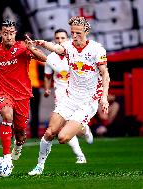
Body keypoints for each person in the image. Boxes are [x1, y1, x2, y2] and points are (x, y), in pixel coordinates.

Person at [28, 16, 110, 176]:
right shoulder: (68, 46)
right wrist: (41, 43)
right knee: (50, 132)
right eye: (72, 33)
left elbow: (105, 74)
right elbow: (57, 49)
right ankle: (39, 166)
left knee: (63, 137)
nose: (75, 36)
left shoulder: (97, 49)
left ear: (86, 31)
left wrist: (104, 97)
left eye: (78, 33)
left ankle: (83, 128)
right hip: (70, 98)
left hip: (88, 102)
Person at [0, 20, 47, 168]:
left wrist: (32, 49)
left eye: (11, 33)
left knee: (21, 133)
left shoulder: (22, 47)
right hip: (1, 90)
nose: (9, 36)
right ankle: (6, 157)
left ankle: (18, 146)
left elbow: (44, 59)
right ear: (0, 34)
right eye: (6, 33)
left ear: (15, 33)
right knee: (7, 115)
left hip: (22, 94)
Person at [43, 28, 90, 164]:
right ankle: (80, 156)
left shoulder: (76, 54)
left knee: (73, 125)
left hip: (77, 94)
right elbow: (47, 76)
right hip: (61, 95)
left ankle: (84, 128)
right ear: (54, 40)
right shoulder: (50, 58)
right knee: (63, 126)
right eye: (57, 38)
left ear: (68, 39)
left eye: (63, 38)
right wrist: (47, 89)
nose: (60, 41)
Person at [28, 58, 45, 138]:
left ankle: (15, 134)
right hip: (33, 86)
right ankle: (34, 134)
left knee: (18, 112)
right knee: (35, 111)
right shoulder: (34, 55)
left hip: (23, 86)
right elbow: (45, 62)